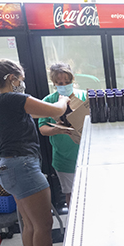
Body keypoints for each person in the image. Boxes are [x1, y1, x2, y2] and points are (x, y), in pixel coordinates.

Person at [0, 52, 70, 246]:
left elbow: (36, 113)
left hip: (8, 167)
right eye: (20, 79)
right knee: (43, 225)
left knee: (30, 225)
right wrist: (63, 98)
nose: (22, 83)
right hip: (23, 167)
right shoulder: (12, 99)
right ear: (12, 78)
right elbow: (57, 110)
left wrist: (53, 112)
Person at [38, 63, 86, 207]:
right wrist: (56, 130)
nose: (64, 85)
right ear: (54, 83)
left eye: (67, 82)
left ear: (73, 80)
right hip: (64, 159)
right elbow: (42, 127)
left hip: (87, 154)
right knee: (71, 195)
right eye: (60, 83)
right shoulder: (49, 101)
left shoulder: (84, 96)